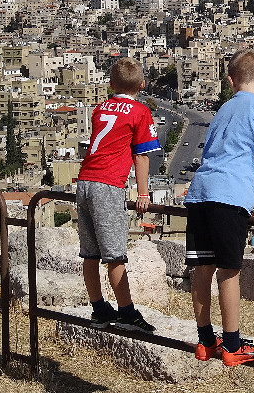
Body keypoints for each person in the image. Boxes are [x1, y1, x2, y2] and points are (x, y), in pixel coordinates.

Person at [184, 49, 254, 366]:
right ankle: (231, 344)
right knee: (229, 271)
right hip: (229, 196)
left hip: (200, 193)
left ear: (231, 82)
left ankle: (205, 342)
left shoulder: (223, 111)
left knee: (203, 268)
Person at [76, 57, 161, 332]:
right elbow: (142, 156)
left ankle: (99, 308)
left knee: (90, 253)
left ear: (111, 84)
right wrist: (144, 193)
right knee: (115, 255)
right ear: (143, 84)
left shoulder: (100, 109)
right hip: (108, 184)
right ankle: (126, 311)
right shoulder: (139, 112)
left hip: (85, 180)